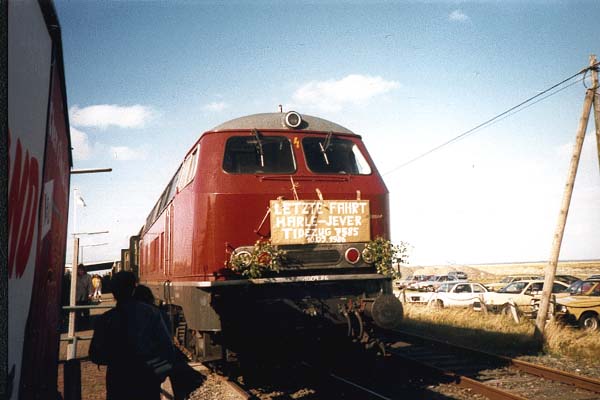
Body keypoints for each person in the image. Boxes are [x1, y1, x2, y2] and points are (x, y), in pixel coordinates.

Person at [89, 271, 175, 400]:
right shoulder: (152, 314)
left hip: (117, 382)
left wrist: (116, 359)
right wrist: (159, 375)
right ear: (134, 289)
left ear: (113, 292)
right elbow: (167, 350)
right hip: (147, 381)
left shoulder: (105, 319)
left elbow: (95, 355)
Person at [75, 264, 93, 329]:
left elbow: (90, 285)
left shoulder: (88, 276)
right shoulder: (75, 276)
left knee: (86, 312)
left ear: (84, 270)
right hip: (76, 298)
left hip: (85, 298)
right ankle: (78, 326)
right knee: (78, 314)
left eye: (82, 270)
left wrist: (90, 293)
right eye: (79, 270)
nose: (80, 271)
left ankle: (87, 325)